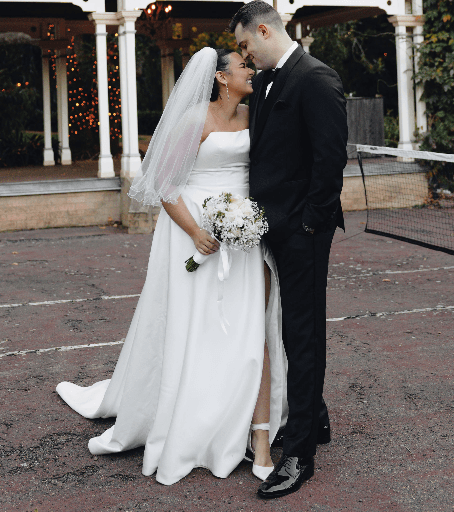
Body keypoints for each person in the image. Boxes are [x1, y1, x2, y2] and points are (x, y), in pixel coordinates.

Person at [56, 47, 287, 486]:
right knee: (198, 331)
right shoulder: (194, 120)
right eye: (243, 66)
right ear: (221, 77)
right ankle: (192, 418)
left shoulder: (254, 116)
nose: (251, 71)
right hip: (197, 231)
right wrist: (197, 232)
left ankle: (258, 437)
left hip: (246, 233)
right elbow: (162, 182)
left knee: (253, 331)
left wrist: (248, 220)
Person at [229, 0, 348, 500]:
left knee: (301, 334)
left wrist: (305, 225)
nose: (244, 55)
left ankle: (299, 452)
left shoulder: (316, 78)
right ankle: (314, 417)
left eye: (244, 45)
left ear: (263, 30)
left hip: (302, 233)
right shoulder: (268, 81)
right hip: (270, 228)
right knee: (287, 328)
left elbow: (330, 161)